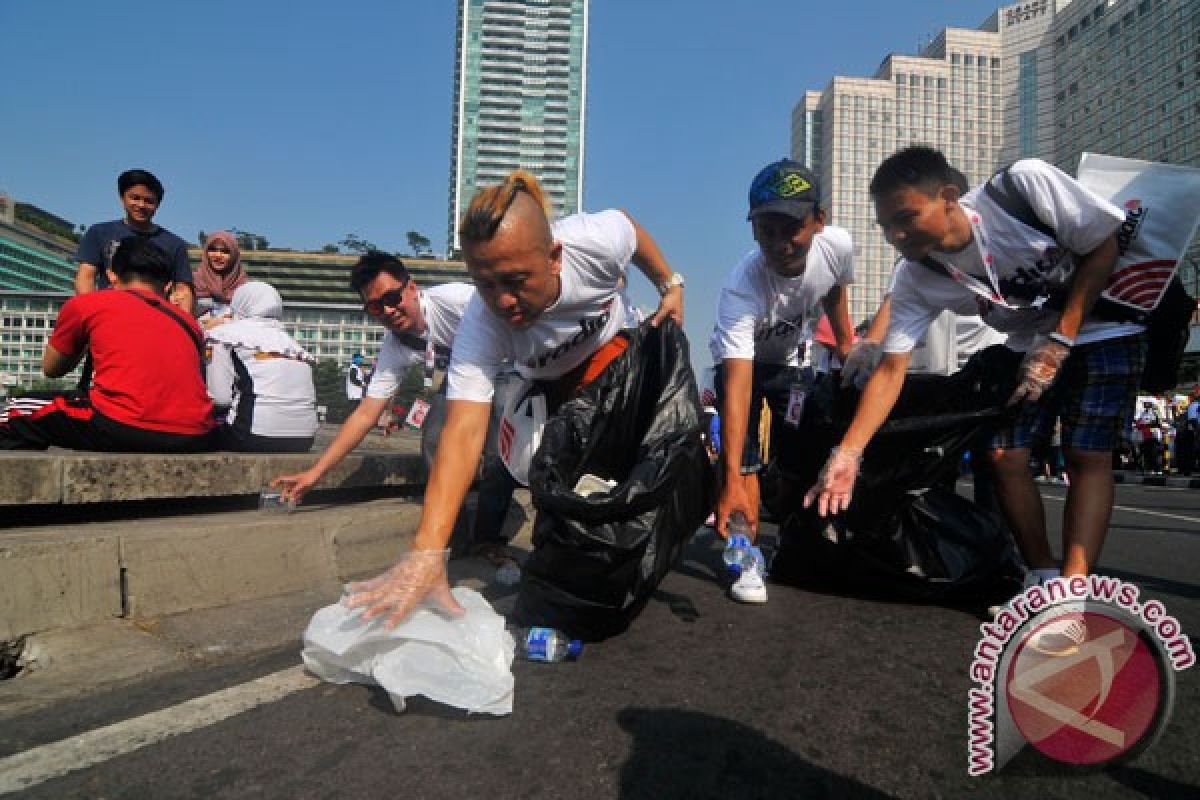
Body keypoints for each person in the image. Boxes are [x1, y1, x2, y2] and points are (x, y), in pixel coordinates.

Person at [806, 146, 1147, 644]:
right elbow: (892, 370)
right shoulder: (918, 275)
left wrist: (1063, 338)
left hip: (1106, 326)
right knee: (1003, 452)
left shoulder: (1023, 188)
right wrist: (849, 452)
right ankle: (1041, 578)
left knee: (1085, 452)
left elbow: (1104, 246)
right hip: (1026, 345)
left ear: (947, 198)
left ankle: (1072, 595)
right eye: (886, 227)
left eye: (906, 218)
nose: (897, 236)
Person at [341, 169, 684, 627]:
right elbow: (462, 433)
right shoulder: (480, 326)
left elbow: (629, 226)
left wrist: (670, 284)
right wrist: (427, 553)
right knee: (559, 488)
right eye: (486, 285)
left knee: (629, 478)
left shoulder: (593, 241)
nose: (503, 302)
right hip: (549, 385)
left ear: (555, 257)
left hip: (613, 358)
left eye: (516, 280)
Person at [710, 159, 855, 604]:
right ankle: (745, 553)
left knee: (803, 453)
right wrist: (732, 473)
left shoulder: (837, 247)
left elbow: (833, 289)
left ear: (818, 222)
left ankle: (793, 535)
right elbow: (738, 382)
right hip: (742, 368)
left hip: (793, 363)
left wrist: (847, 345)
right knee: (746, 462)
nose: (780, 244)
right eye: (766, 230)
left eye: (791, 229)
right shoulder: (742, 287)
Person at [272, 253, 475, 500]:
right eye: (376, 307)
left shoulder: (456, 301)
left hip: (511, 365)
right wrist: (314, 474)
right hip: (463, 379)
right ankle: (453, 513)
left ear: (411, 287)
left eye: (392, 298)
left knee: (501, 447)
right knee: (434, 439)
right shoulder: (395, 345)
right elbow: (366, 414)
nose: (388, 311)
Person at [0, 238, 214, 451]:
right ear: (167, 284)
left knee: (14, 409)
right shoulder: (189, 323)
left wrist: (87, 337)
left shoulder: (88, 304)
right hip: (196, 433)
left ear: (112, 275)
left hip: (121, 424)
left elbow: (52, 369)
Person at [206, 281, 318, 453]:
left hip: (251, 435)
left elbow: (220, 398)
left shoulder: (223, 335)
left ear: (239, 304)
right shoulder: (291, 343)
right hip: (304, 439)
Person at [75, 169, 195, 315]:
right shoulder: (99, 233)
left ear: (157, 204)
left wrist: (184, 322)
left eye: (149, 201)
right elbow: (86, 277)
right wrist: (92, 314)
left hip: (156, 318)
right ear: (122, 198)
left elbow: (184, 290)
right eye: (135, 198)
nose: (141, 205)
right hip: (109, 313)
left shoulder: (175, 244)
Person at [194, 231, 248, 327]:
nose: (218, 255)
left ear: (234, 255)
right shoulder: (192, 281)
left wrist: (223, 322)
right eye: (213, 249)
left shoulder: (245, 288)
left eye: (225, 251)